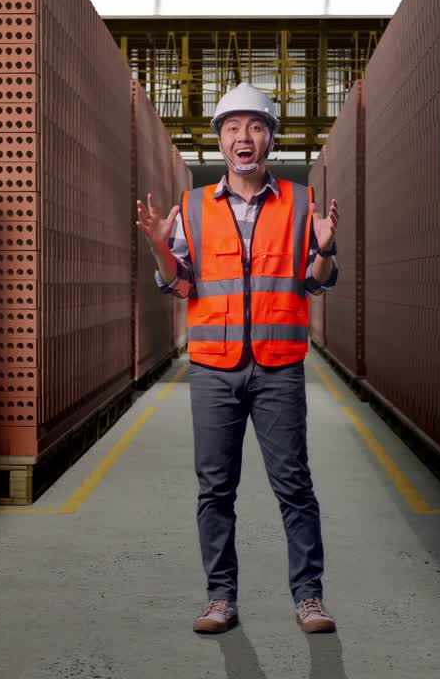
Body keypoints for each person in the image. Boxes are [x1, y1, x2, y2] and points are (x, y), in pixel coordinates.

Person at [135, 82, 341, 634]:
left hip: (278, 366)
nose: (242, 137)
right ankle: (220, 599)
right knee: (215, 489)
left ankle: (309, 598)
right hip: (213, 369)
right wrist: (159, 246)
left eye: (255, 127)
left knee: (293, 485)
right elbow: (179, 287)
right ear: (220, 139)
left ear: (270, 136)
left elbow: (316, 284)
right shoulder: (193, 207)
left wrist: (323, 248)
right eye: (232, 127)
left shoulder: (301, 202)